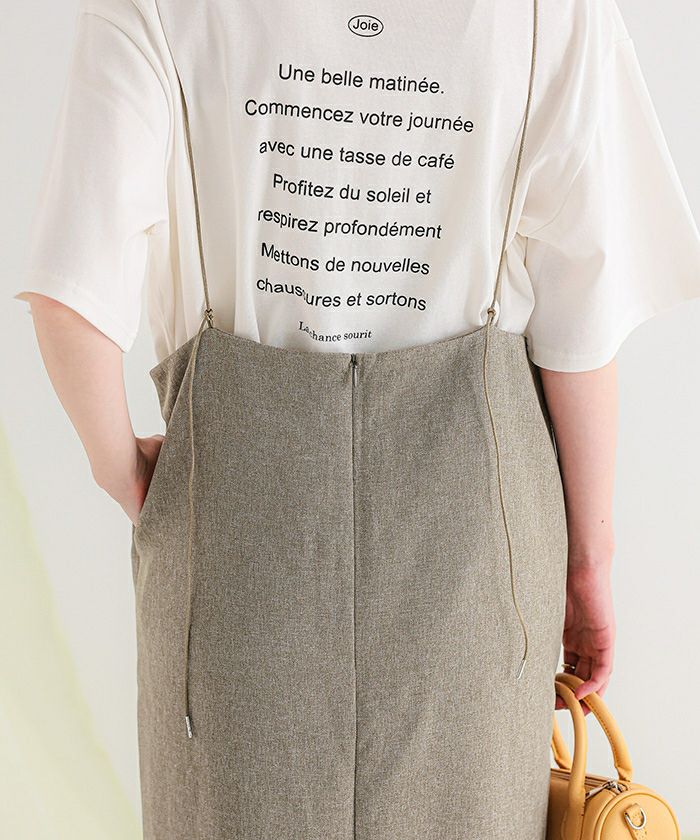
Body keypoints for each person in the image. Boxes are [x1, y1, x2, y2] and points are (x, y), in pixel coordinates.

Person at [13, 0, 700, 837]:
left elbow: (69, 296)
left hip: (233, 531)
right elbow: (580, 326)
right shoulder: (552, 13)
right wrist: (588, 563)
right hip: (477, 547)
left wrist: (126, 474)